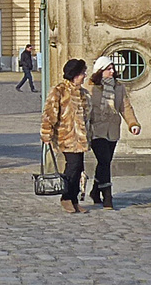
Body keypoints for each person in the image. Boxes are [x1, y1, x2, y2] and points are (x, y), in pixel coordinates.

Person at [84, 56, 141, 210]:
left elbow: (125, 107)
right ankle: (107, 196)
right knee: (104, 161)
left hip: (113, 129)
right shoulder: (90, 87)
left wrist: (132, 123)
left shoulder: (118, 87)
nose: (112, 71)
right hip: (97, 129)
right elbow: (84, 109)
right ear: (100, 71)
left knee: (105, 161)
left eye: (113, 68)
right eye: (108, 69)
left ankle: (95, 191)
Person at [39, 57, 91, 213]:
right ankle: (66, 197)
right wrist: (47, 134)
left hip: (80, 137)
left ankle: (74, 199)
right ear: (74, 74)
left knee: (79, 167)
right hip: (66, 136)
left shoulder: (83, 93)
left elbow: (87, 117)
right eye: (82, 73)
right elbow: (49, 114)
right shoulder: (59, 91)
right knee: (73, 166)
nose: (85, 75)